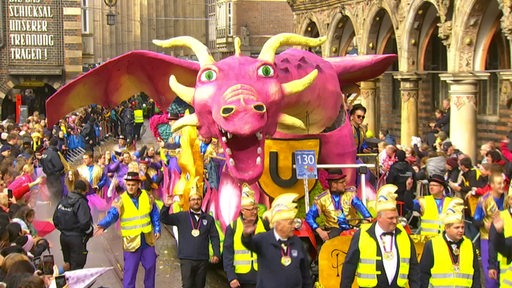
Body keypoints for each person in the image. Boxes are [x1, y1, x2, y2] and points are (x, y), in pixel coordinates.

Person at [341, 184, 420, 288]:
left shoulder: (404, 235)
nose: (395, 221)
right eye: (390, 218)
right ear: (379, 217)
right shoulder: (362, 234)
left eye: (396, 217)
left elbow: (413, 268)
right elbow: (349, 266)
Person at [95, 172, 161, 288]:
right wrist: (103, 225)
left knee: (150, 267)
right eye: (128, 184)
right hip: (131, 243)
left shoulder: (147, 196)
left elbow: (154, 212)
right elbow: (113, 215)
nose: (130, 187)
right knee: (130, 273)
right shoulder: (121, 200)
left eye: (133, 185)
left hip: (147, 240)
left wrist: (157, 228)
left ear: (138, 185)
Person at [241, 193, 312, 288]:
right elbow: (248, 243)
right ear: (278, 224)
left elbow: (305, 274)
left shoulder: (297, 242)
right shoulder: (263, 239)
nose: (294, 226)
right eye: (290, 223)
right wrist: (246, 235)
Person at [160, 184, 220, 288]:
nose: (196, 201)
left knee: (200, 286)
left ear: (201, 201)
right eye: (193, 199)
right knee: (187, 285)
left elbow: (214, 237)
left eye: (198, 199)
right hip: (186, 259)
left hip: (202, 259)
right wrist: (166, 206)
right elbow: (164, 219)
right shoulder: (181, 216)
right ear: (189, 201)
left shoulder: (209, 219)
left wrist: (216, 253)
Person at [419, 198, 479, 287]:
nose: (461, 230)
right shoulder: (432, 244)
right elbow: (423, 274)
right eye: (457, 227)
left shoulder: (469, 244)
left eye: (462, 227)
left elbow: (476, 274)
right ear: (447, 228)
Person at [305, 168, 371, 242]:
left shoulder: (350, 194)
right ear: (334, 184)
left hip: (353, 228)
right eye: (342, 182)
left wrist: (366, 222)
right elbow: (309, 217)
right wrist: (320, 231)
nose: (345, 184)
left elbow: (365, 213)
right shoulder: (322, 199)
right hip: (334, 230)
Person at [223, 184, 269, 288]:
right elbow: (227, 254)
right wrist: (231, 277)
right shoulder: (233, 227)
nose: (254, 212)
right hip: (241, 279)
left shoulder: (265, 224)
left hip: (262, 277)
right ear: (242, 210)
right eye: (250, 209)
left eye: (256, 208)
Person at [472, 172, 505, 288]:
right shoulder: (484, 200)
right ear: (491, 184)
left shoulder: (507, 199)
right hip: (487, 239)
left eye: (503, 183)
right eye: (499, 183)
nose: (502, 186)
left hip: (505, 239)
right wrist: (484, 224)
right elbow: (475, 220)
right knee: (491, 276)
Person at [52, 180, 94, 271]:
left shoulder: (64, 200)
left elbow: (55, 219)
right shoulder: (81, 202)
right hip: (76, 239)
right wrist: (90, 231)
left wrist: (64, 230)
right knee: (76, 268)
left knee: (68, 265)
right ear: (83, 191)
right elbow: (85, 223)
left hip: (63, 238)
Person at [489, 190, 512, 287]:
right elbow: (493, 242)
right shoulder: (500, 216)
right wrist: (492, 265)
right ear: (509, 200)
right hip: (503, 262)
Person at [40, 137, 65, 201]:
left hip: (48, 178)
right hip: (55, 178)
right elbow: (60, 166)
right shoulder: (53, 153)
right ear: (56, 144)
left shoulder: (44, 153)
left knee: (52, 195)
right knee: (57, 196)